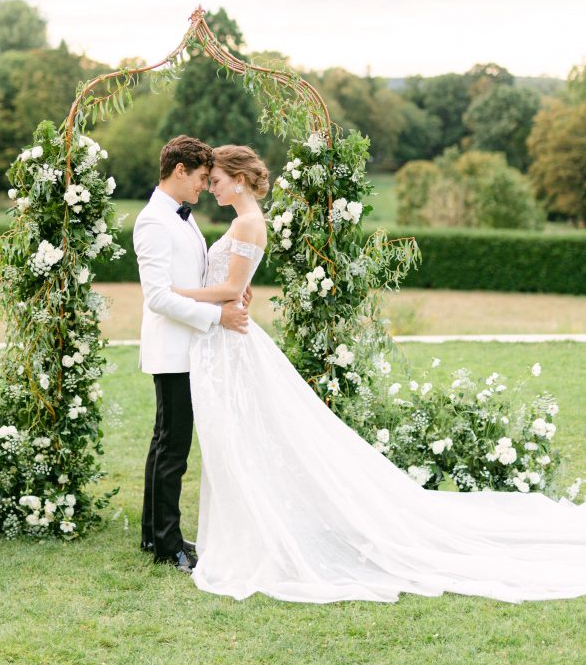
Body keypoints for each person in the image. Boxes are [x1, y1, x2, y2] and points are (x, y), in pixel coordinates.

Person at [174, 143, 586, 603]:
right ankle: (244, 529)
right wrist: (225, 294)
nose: (210, 187)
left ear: (240, 179)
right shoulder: (239, 221)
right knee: (232, 440)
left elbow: (232, 286)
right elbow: (234, 286)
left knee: (241, 439)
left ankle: (256, 535)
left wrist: (175, 291)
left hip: (230, 346)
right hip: (222, 342)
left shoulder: (248, 222)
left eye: (216, 180)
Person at [133, 135, 249, 573]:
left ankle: (154, 532)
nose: (204, 187)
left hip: (188, 347)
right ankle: (167, 545)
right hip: (173, 348)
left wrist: (229, 290)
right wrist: (217, 317)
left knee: (164, 441)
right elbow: (158, 297)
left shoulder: (180, 218)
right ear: (179, 170)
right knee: (174, 449)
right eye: (201, 178)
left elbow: (194, 273)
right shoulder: (153, 222)